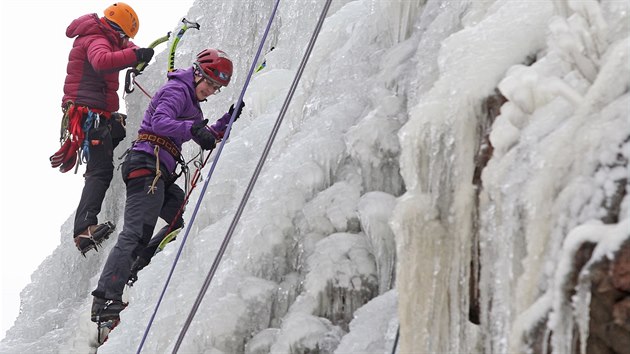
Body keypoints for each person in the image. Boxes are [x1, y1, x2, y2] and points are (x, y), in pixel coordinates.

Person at [90, 48, 245, 324]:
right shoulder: (177, 90)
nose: (211, 90)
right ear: (197, 73)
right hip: (147, 166)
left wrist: (227, 120)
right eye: (209, 82)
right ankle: (104, 298)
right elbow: (162, 122)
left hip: (159, 173)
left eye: (217, 87)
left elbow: (203, 134)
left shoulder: (193, 105)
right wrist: (192, 130)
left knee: (178, 221)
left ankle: (136, 267)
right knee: (136, 232)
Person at [49, 2, 156, 255]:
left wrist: (137, 52)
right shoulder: (96, 39)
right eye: (124, 36)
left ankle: (121, 161)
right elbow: (102, 61)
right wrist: (135, 56)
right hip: (89, 116)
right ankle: (84, 229)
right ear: (116, 30)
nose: (125, 40)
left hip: (99, 115)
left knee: (120, 132)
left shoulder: (105, 36)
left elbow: (127, 48)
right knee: (100, 171)